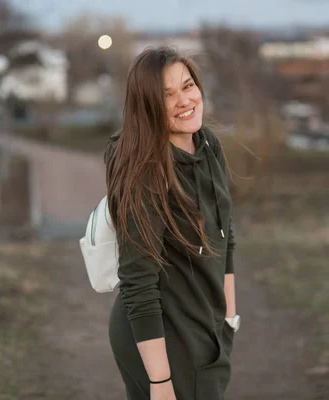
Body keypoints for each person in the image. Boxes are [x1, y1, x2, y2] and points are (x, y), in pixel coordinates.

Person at [104, 46, 240, 400]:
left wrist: (229, 321)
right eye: (167, 95)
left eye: (188, 85)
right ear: (147, 106)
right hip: (161, 339)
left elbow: (227, 238)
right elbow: (138, 280)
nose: (184, 100)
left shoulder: (209, 145)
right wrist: (161, 382)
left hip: (206, 327)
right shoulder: (144, 172)